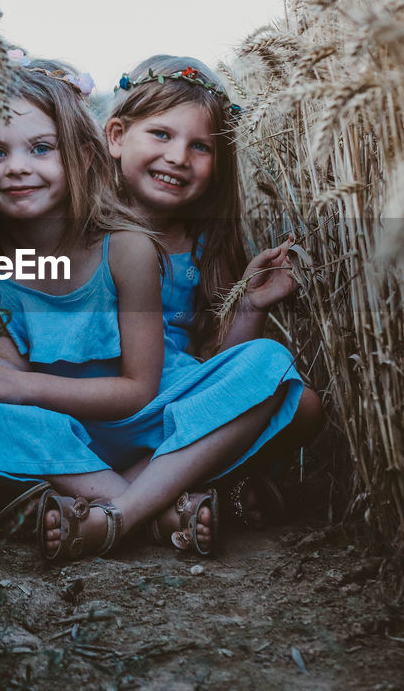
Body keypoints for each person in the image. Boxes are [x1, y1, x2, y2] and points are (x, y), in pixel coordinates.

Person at [0, 53, 302, 562]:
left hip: (146, 416)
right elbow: (4, 377)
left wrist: (10, 383)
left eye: (40, 148)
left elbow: (137, 389)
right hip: (60, 429)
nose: (17, 167)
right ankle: (157, 508)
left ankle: (114, 515)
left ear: (82, 158)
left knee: (270, 366)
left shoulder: (126, 249)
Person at [104, 54, 324, 530]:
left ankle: (152, 494)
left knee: (300, 401)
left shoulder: (204, 244)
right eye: (161, 134)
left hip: (177, 409)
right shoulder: (84, 232)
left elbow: (216, 362)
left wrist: (249, 303)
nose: (178, 157)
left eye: (200, 146)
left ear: (218, 164)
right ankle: (174, 498)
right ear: (118, 137)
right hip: (103, 404)